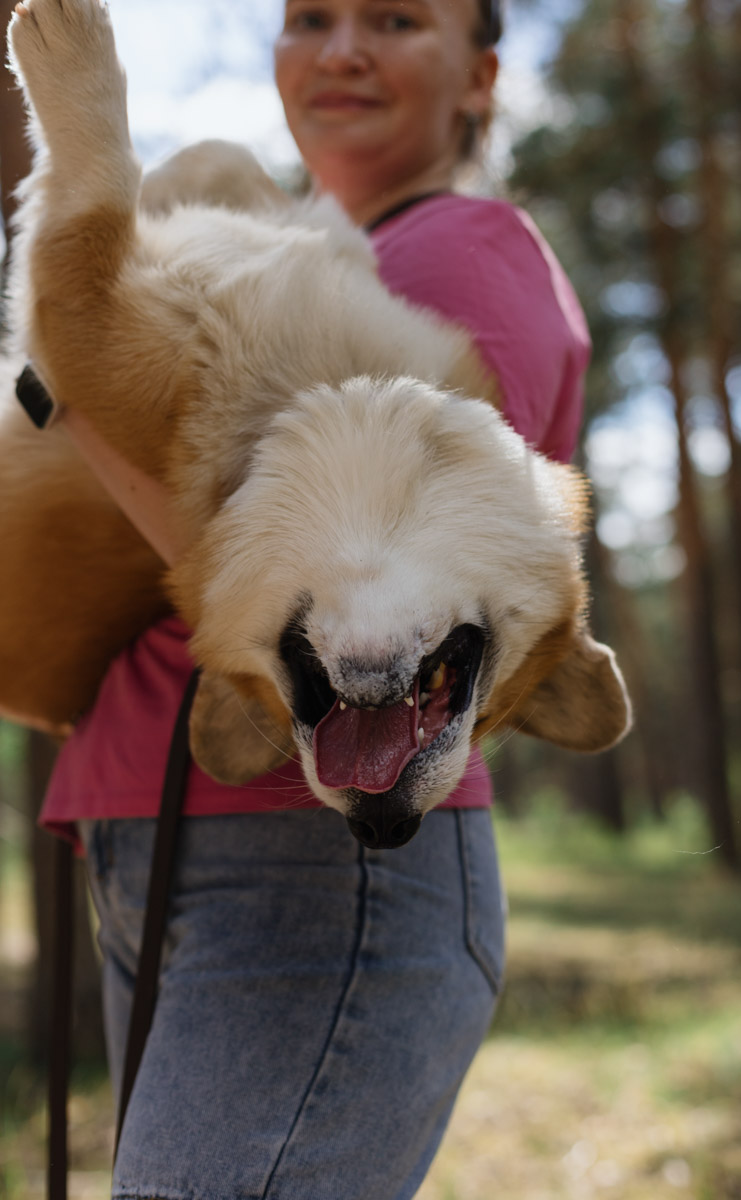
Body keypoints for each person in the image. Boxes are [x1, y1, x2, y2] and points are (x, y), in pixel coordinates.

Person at [38, 0, 591, 1196]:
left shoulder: (453, 256)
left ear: (480, 72)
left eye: (393, 18)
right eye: (309, 19)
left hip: (313, 864)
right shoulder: (307, 242)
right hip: (178, 820)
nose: (339, 50)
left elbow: (323, 566)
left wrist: (67, 396)